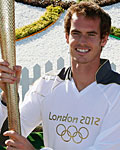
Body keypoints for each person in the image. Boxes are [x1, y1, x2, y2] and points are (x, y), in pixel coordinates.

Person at [0, 1, 120, 149]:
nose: (82, 41)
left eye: (91, 34)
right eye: (76, 33)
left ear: (104, 39)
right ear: (67, 37)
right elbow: (8, 137)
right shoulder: (47, 85)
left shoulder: (116, 92)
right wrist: (7, 97)